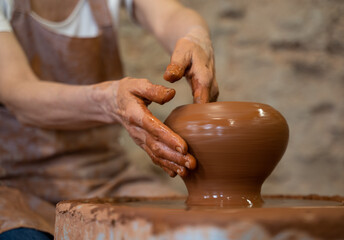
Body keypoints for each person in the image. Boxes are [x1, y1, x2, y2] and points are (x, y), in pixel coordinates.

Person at [0, 0, 218, 238]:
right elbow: (18, 93)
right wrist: (108, 101)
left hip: (107, 177)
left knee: (197, 230)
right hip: (16, 183)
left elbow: (168, 16)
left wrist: (195, 37)